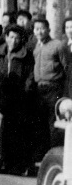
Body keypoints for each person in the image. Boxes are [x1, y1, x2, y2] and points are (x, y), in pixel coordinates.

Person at [0, 24, 36, 175]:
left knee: (18, 132)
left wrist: (26, 90)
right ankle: (5, 163)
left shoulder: (27, 55)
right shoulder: (0, 53)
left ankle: (18, 166)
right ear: (6, 38)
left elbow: (30, 75)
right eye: (11, 37)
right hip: (1, 95)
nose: (13, 41)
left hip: (19, 97)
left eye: (17, 38)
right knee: (3, 131)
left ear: (21, 40)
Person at [32, 17, 69, 155]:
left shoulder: (58, 45)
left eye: (42, 28)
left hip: (54, 88)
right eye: (36, 29)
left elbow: (67, 68)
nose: (39, 32)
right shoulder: (35, 47)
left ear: (48, 30)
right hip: (39, 89)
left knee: (54, 123)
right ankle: (43, 154)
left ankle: (56, 153)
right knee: (40, 123)